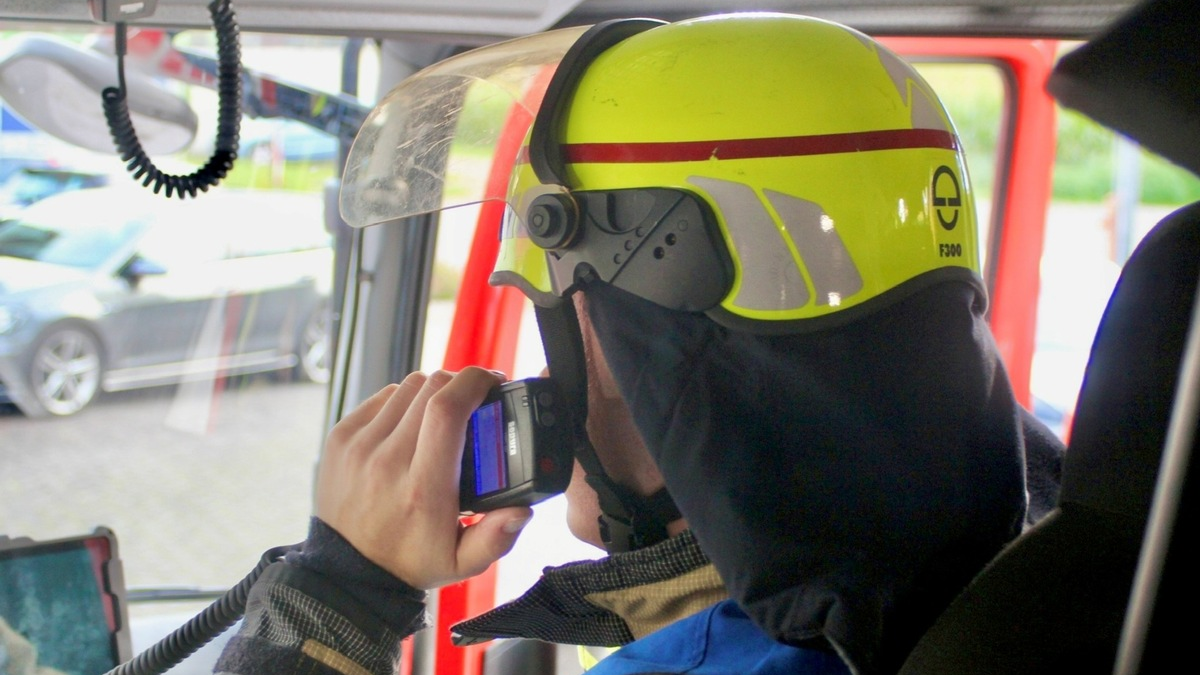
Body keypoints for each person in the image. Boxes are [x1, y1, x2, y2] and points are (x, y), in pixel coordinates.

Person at [217, 13, 1062, 675]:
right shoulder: (1038, 527)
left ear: (615, 331)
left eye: (555, 318)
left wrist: (340, 591)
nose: (544, 374)